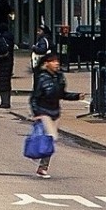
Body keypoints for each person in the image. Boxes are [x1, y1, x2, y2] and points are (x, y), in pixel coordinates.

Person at [26, 51, 79, 179]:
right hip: (44, 112)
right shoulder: (42, 78)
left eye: (57, 61)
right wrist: (36, 113)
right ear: (46, 64)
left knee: (48, 139)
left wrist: (76, 96)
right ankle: (40, 162)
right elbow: (34, 97)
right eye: (53, 61)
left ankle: (40, 161)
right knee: (50, 137)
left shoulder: (59, 77)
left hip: (55, 112)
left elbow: (62, 94)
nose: (56, 64)